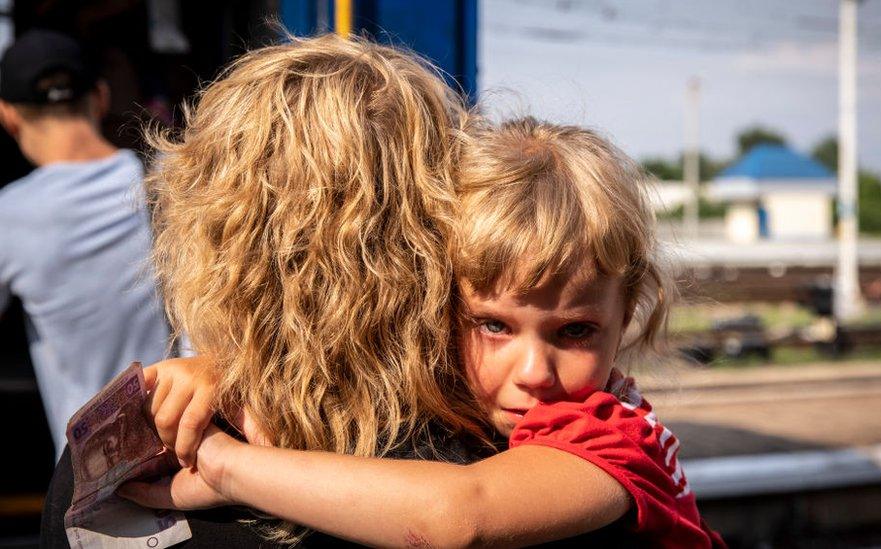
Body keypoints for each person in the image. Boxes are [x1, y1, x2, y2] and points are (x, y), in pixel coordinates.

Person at [121, 118, 725, 547]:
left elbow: (459, 516)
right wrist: (225, 368)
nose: (534, 372)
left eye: (574, 332)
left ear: (627, 316)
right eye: (493, 325)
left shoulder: (615, 438)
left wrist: (227, 466)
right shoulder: (466, 396)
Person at [0, 29, 171, 457]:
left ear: (8, 115)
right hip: (191, 449)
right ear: (99, 96)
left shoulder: (11, 214)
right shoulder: (172, 178)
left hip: (93, 476)